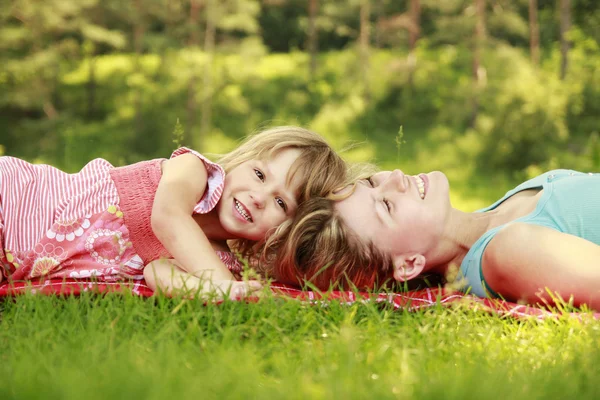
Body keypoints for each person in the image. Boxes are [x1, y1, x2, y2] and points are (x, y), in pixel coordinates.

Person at [0, 126, 347, 299]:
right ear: (241, 160)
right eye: (259, 174)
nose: (259, 197)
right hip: (16, 201)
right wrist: (224, 285)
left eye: (281, 203)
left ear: (283, 231)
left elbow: (158, 273)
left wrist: (225, 292)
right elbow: (167, 217)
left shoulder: (220, 262)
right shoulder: (193, 171)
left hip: (15, 260)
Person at [275, 168, 600, 310]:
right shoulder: (508, 250)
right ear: (408, 264)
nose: (396, 179)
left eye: (373, 182)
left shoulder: (493, 216)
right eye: (386, 205)